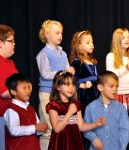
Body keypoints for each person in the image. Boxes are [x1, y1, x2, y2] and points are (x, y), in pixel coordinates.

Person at [36, 19, 74, 149]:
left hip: (60, 95)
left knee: (61, 126)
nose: (60, 36)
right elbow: (45, 74)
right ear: (47, 35)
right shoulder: (43, 54)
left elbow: (67, 70)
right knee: (48, 128)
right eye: (57, 33)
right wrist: (63, 71)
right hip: (47, 93)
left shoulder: (63, 53)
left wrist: (70, 72)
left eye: (61, 33)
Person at [46, 70, 105, 150]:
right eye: (67, 84)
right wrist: (69, 113)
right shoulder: (54, 105)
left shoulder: (76, 104)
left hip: (75, 143)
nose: (71, 87)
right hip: (61, 144)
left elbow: (81, 126)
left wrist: (95, 124)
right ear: (58, 87)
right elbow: (56, 128)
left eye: (73, 84)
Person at [84, 70, 129, 150]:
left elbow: (124, 131)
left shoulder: (121, 108)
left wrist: (122, 147)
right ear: (100, 87)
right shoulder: (90, 108)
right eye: (111, 86)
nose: (115, 89)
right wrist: (94, 139)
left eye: (116, 86)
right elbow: (85, 128)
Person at [4, 73, 48, 150]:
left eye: (28, 87)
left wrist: (41, 128)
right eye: (24, 88)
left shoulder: (31, 108)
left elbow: (37, 127)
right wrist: (35, 127)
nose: (28, 91)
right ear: (13, 92)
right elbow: (14, 130)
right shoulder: (11, 110)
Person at [106, 28, 129, 110]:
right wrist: (125, 69)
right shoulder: (111, 56)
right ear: (117, 40)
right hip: (118, 93)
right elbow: (111, 76)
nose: (127, 40)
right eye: (123, 38)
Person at [69, 30, 99, 112]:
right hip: (84, 97)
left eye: (92, 42)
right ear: (79, 46)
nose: (92, 45)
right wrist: (82, 85)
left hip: (95, 97)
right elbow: (72, 80)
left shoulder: (93, 61)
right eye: (88, 42)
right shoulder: (77, 62)